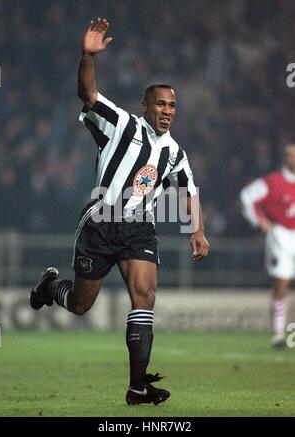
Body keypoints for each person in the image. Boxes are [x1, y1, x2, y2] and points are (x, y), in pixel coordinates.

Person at [30, 18, 210, 405]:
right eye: (160, 103)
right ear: (145, 106)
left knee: (144, 297)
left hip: (139, 228)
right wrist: (87, 57)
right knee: (81, 305)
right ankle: (49, 287)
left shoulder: (175, 152)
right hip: (100, 222)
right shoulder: (122, 124)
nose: (167, 110)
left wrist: (197, 230)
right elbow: (88, 95)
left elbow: (189, 190)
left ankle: (137, 386)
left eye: (173, 105)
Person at [240, 143, 295, 348]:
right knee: (281, 284)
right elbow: (246, 196)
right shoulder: (273, 182)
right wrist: (260, 221)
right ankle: (278, 335)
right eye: (290, 154)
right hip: (281, 235)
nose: (293, 158)